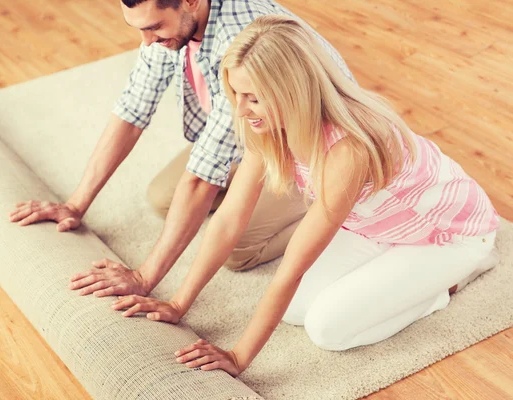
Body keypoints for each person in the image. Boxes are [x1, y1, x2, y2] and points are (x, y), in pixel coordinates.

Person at [111, 15, 500, 377]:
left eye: (253, 98)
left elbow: (293, 265)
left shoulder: (349, 150)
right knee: (295, 310)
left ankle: (448, 284)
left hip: (447, 236)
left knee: (327, 329)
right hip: (375, 226)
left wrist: (239, 357)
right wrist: (179, 304)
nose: (241, 110)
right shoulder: (266, 126)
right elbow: (230, 218)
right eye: (236, 94)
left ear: (290, 92)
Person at [8, 0, 355, 297]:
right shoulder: (171, 29)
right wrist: (74, 204)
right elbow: (132, 110)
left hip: (312, 149)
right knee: (163, 198)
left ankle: (339, 208)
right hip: (254, 134)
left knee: (238, 249)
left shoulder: (237, 37)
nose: (146, 41)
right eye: (139, 29)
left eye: (154, 27)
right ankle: (250, 194)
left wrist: (144, 278)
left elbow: (203, 177)